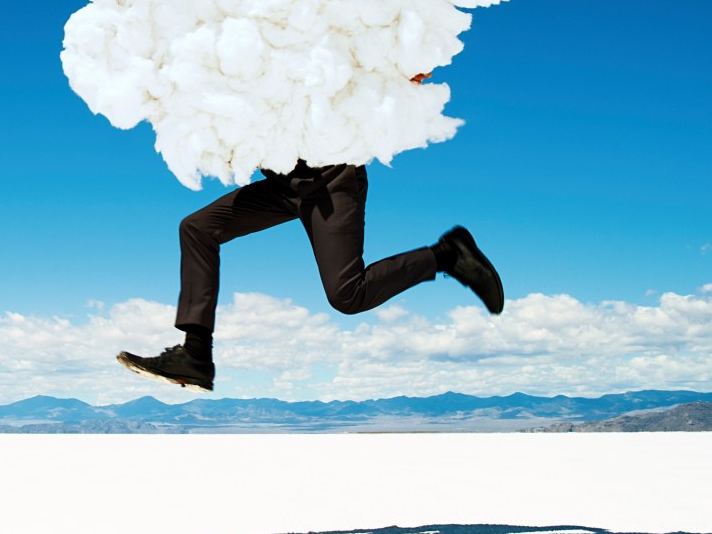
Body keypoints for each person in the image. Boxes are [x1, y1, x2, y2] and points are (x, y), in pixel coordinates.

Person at [117, 74, 504, 392]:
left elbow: (335, 52)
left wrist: (395, 77)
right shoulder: (217, 74)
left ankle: (447, 254)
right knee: (198, 228)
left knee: (348, 295)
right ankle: (196, 354)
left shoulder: (276, 45)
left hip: (331, 177)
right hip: (284, 185)